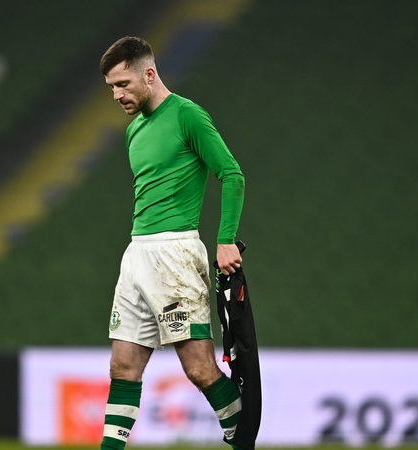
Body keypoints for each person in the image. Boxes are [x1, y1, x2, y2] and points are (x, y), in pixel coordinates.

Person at [99, 36, 246, 450]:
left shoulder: (187, 115)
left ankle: (243, 436)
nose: (117, 95)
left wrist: (225, 240)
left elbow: (232, 174)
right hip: (136, 254)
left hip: (175, 255)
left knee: (199, 369)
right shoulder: (133, 131)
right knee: (122, 367)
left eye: (123, 84)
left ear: (149, 74)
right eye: (112, 87)